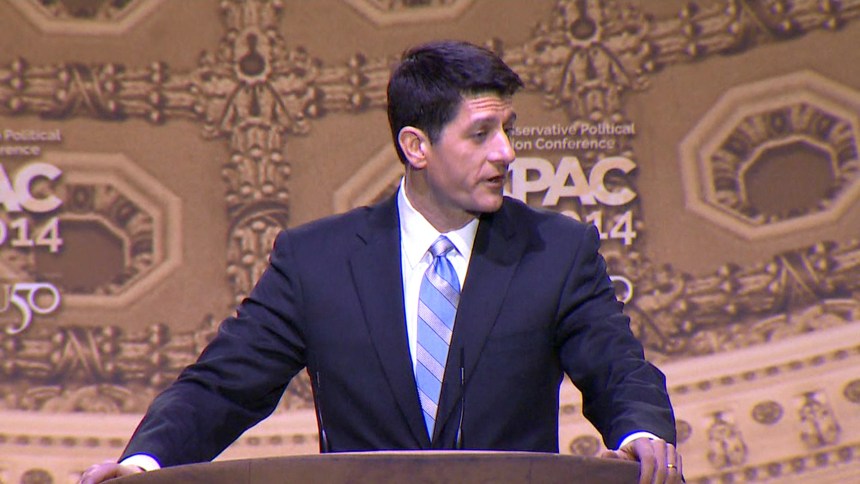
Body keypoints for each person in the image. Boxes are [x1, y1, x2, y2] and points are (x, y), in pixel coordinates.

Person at [80, 40, 683, 484]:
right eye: (481, 134)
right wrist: (144, 465)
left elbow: (618, 369)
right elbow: (222, 386)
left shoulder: (556, 251)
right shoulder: (316, 262)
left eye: (508, 129)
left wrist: (641, 431)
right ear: (416, 146)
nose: (505, 152)